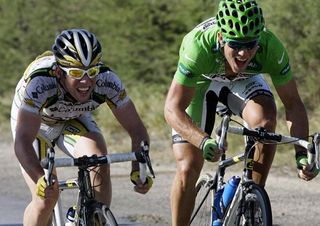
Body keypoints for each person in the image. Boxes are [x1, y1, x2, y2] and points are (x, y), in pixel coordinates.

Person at [164, 0, 318, 225]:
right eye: (235, 44)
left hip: (243, 82)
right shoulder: (197, 47)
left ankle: (252, 201)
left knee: (265, 123)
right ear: (221, 38)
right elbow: (172, 108)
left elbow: (293, 103)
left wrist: (301, 154)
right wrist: (203, 141)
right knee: (188, 168)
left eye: (250, 44)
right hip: (201, 85)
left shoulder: (270, 47)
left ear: (259, 39)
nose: (244, 53)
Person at [11, 28, 153, 226]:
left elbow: (137, 130)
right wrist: (39, 179)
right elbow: (23, 140)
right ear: (59, 72)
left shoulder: (107, 81)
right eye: (77, 73)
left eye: (92, 72)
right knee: (46, 198)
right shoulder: (40, 82)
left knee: (99, 160)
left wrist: (140, 169)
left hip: (72, 118)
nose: (86, 81)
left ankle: (92, 219)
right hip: (38, 125)